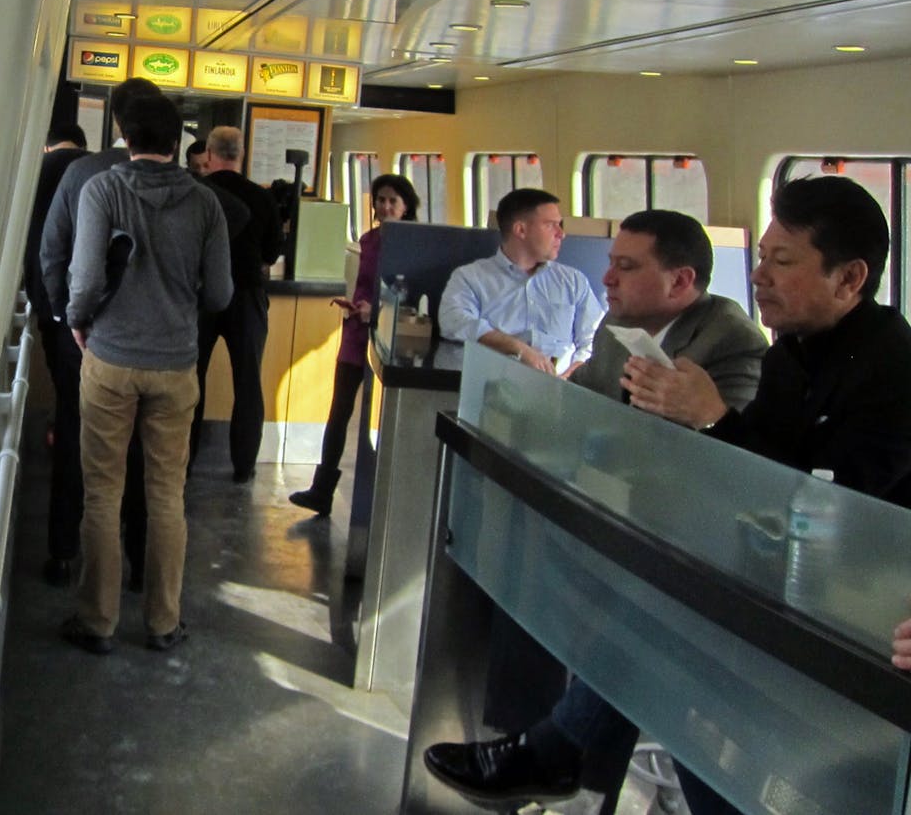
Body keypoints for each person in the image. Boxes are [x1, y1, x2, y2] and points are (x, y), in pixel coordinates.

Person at [426, 177, 911, 814]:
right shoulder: (793, 352)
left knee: (669, 651)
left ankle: (557, 752)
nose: (759, 274)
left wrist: (712, 419)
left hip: (856, 617)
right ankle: (557, 750)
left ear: (849, 279)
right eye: (761, 256)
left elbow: (827, 505)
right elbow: (759, 471)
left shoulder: (891, 370)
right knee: (660, 633)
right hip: (767, 582)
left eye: (781, 261)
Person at [433, 209, 769, 805]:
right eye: (610, 263)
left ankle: (553, 757)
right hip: (615, 533)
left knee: (640, 646)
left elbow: (734, 468)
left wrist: (706, 415)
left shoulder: (731, 341)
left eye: (626, 266)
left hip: (694, 558)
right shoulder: (620, 329)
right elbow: (575, 401)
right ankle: (558, 763)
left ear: (681, 282)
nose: (606, 278)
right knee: (556, 600)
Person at [60, 93, 232, 655]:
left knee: (103, 494)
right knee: (166, 496)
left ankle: (97, 621)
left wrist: (80, 324)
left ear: (122, 135)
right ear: (179, 139)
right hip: (176, 364)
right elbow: (223, 292)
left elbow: (83, 280)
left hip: (110, 359)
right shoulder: (206, 203)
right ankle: (162, 622)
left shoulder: (101, 190)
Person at [39, 78, 160, 588]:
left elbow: (52, 253)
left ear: (115, 123)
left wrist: (64, 317)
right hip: (154, 342)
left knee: (76, 432)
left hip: (83, 332)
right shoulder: (181, 185)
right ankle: (138, 562)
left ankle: (65, 551)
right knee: (143, 449)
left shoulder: (82, 172)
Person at [289, 173, 419, 517]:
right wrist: (356, 306)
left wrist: (374, 310)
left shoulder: (415, 243)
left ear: (406, 206)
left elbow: (414, 294)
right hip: (356, 332)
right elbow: (364, 284)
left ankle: (393, 497)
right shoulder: (369, 238)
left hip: (396, 334)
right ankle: (322, 489)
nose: (385, 206)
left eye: (393, 200)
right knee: (340, 410)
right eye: (380, 199)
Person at [190, 126, 283, 482]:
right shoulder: (262, 198)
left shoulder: (199, 192)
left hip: (202, 297)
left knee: (191, 378)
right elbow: (273, 251)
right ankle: (244, 465)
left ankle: (185, 458)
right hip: (247, 296)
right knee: (248, 381)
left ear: (209, 155)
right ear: (241, 155)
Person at [438, 188, 603, 377]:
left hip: (561, 387)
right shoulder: (471, 278)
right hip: (495, 383)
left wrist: (572, 377)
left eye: (560, 225)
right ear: (521, 230)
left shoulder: (573, 281)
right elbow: (453, 321)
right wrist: (517, 348)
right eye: (551, 225)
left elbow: (593, 340)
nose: (561, 234)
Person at [23, 124, 87, 585]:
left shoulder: (35, 172)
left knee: (71, 414)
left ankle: (63, 550)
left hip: (53, 310)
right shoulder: (99, 174)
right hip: (96, 319)